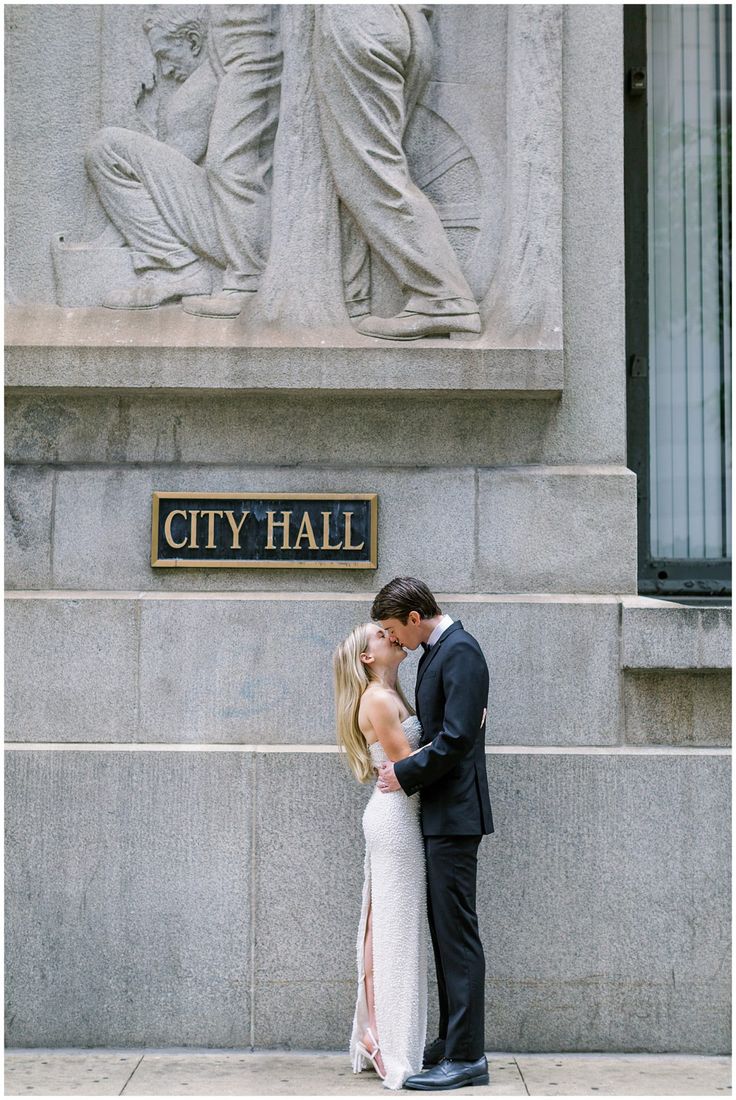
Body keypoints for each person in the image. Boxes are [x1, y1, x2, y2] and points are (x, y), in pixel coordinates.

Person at [372, 577, 493, 1091]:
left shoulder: (461, 651)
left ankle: (467, 1056)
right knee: (447, 936)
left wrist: (405, 774)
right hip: (442, 815)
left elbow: (459, 738)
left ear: (416, 618)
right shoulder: (435, 652)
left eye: (395, 629)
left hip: (457, 817)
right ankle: (450, 1041)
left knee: (457, 936)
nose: (394, 639)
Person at [313, 6, 482, 341]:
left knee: (367, 172)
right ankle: (356, 297)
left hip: (358, 23)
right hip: (400, 21)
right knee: (368, 168)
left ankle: (443, 294)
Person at [333, 622, 428, 1090]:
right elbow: (413, 763)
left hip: (399, 815)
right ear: (367, 657)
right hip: (395, 818)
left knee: (388, 922)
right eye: (379, 634)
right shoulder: (377, 698)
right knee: (390, 927)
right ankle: (381, 1036)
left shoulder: (391, 693)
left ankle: (376, 1031)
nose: (390, 635)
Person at [85, 7, 223, 309]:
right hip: (239, 222)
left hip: (229, 227)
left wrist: (108, 240)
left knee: (105, 148)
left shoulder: (201, 90)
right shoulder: (221, 78)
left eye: (164, 55)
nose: (164, 70)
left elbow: (158, 185)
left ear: (193, 41)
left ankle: (175, 268)